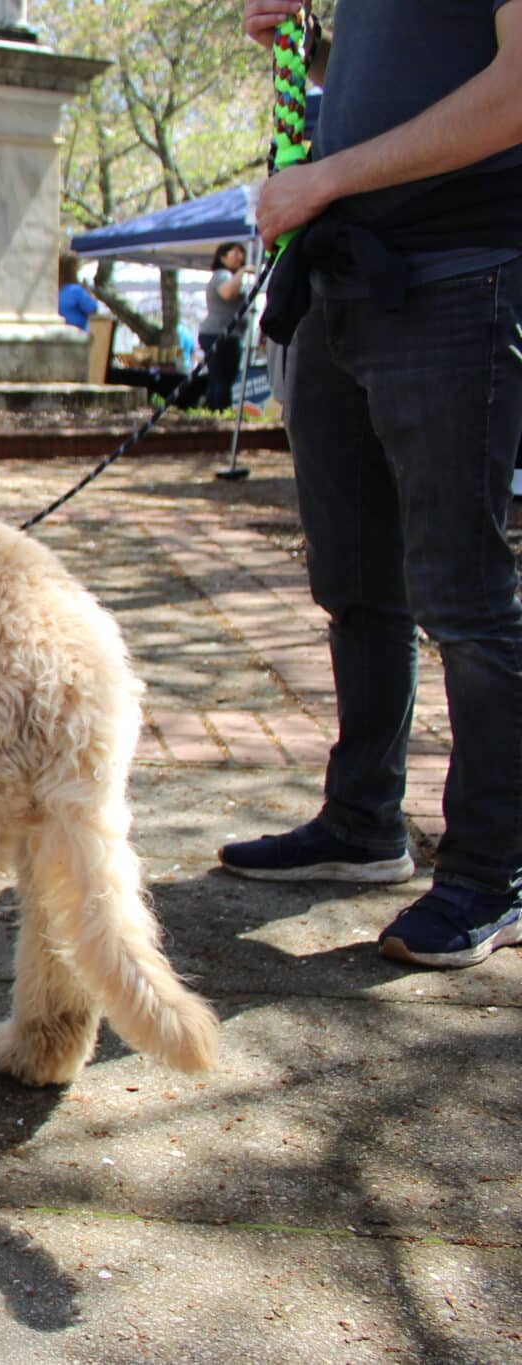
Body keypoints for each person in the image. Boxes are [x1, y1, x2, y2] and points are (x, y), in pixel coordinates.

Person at [217, 0, 522, 970]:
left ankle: (489, 873)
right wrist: (299, 55)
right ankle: (360, 825)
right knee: (354, 586)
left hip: (458, 277)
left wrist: (324, 179)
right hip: (337, 287)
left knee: (463, 601)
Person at [201, 241, 250, 410]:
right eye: (234, 253)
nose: (239, 257)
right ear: (222, 257)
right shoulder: (223, 275)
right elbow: (227, 293)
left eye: (241, 253)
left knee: (220, 379)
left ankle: (213, 412)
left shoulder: (229, 276)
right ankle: (219, 412)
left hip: (228, 335)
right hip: (220, 334)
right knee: (222, 379)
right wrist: (242, 272)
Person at [57, 251, 100, 331]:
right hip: (76, 335)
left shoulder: (54, 291)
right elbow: (92, 309)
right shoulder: (76, 291)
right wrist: (88, 292)